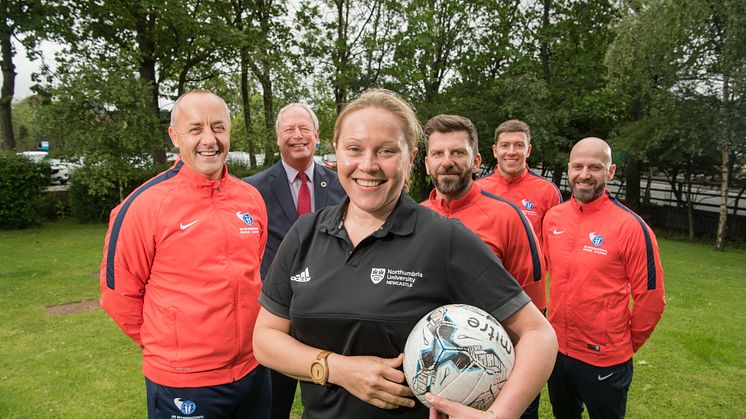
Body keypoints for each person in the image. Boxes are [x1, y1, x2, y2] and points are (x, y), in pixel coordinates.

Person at [252, 88, 557, 419]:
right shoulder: (306, 233)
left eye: (386, 151)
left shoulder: (444, 238)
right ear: (336, 151)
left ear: (411, 158)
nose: (367, 166)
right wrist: (337, 369)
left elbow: (538, 334)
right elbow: (265, 339)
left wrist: (500, 415)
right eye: (354, 149)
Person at [99, 89, 271, 419]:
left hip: (254, 369)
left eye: (218, 127)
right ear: (174, 136)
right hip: (184, 383)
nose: (210, 139)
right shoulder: (144, 206)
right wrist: (174, 346)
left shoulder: (251, 199)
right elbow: (117, 295)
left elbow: (253, 274)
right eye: (196, 129)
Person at [542, 137, 666, 419]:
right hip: (557, 352)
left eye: (594, 167)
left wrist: (622, 344)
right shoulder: (553, 218)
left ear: (610, 172)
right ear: (569, 168)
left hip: (605, 359)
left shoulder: (632, 227)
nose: (584, 174)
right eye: (578, 166)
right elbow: (549, 273)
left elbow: (652, 300)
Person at [245, 103, 345, 419]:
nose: (297, 136)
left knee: (335, 400)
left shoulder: (344, 184)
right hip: (277, 316)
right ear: (277, 138)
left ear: (317, 136)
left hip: (332, 312)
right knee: (273, 407)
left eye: (304, 129)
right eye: (289, 129)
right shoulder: (252, 189)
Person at [421, 114, 547, 314]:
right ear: (428, 164)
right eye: (438, 154)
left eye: (458, 153)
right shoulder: (414, 218)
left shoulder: (509, 218)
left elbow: (536, 309)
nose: (447, 162)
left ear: (476, 162)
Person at [476, 119, 562, 246]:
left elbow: (555, 244)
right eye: (505, 145)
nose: (511, 152)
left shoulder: (548, 191)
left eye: (519, 145)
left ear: (528, 150)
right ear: (495, 150)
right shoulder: (477, 189)